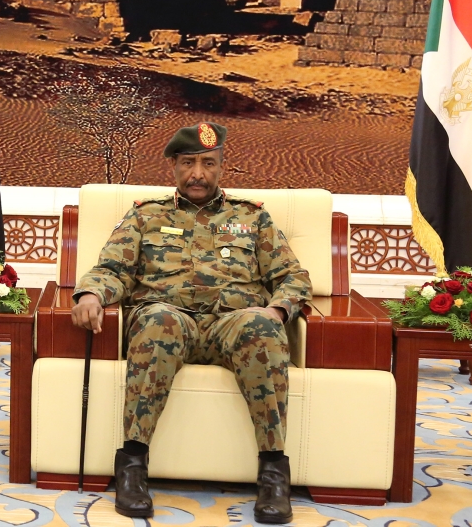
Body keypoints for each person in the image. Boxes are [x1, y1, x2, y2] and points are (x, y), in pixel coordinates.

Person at [70, 121, 312, 524]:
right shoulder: (145, 217)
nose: (197, 173)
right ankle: (132, 467)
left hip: (232, 324)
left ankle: (273, 474)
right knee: (157, 322)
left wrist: (278, 310)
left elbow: (293, 277)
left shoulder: (252, 219)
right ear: (173, 167)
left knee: (262, 327)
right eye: (188, 163)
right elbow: (112, 268)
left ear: (221, 167)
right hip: (168, 319)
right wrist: (92, 294)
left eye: (207, 163)